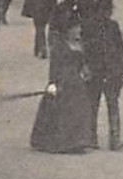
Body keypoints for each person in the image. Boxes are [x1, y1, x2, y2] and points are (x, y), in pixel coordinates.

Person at [30, 14, 97, 153]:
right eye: (76, 28)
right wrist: (53, 83)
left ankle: (78, 142)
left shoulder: (80, 44)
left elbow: (83, 64)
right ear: (68, 30)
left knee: (79, 111)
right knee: (62, 112)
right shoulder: (59, 46)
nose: (78, 30)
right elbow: (54, 66)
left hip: (77, 83)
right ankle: (64, 143)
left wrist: (87, 72)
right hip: (63, 81)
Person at [83, 0, 123, 151]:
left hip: (98, 71)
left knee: (93, 105)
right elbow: (120, 50)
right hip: (109, 71)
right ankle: (114, 139)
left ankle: (91, 138)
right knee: (111, 105)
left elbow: (84, 50)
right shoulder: (112, 26)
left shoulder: (88, 25)